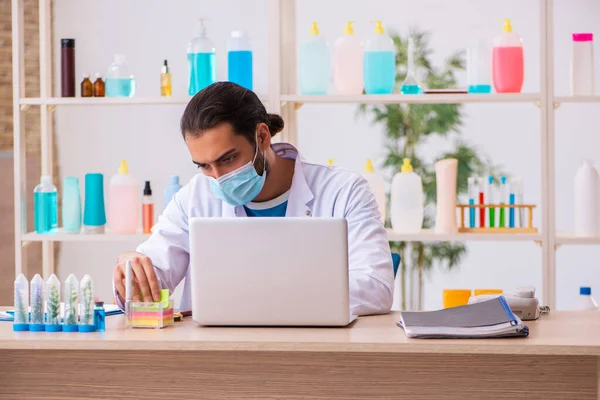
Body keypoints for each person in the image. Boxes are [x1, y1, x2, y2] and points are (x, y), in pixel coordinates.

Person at [113, 82, 394, 316]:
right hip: (214, 360)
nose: (218, 177)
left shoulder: (343, 191)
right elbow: (152, 280)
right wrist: (134, 272)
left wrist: (270, 294)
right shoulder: (194, 197)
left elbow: (376, 287)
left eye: (228, 158)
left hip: (312, 353)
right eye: (204, 165)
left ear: (262, 136)